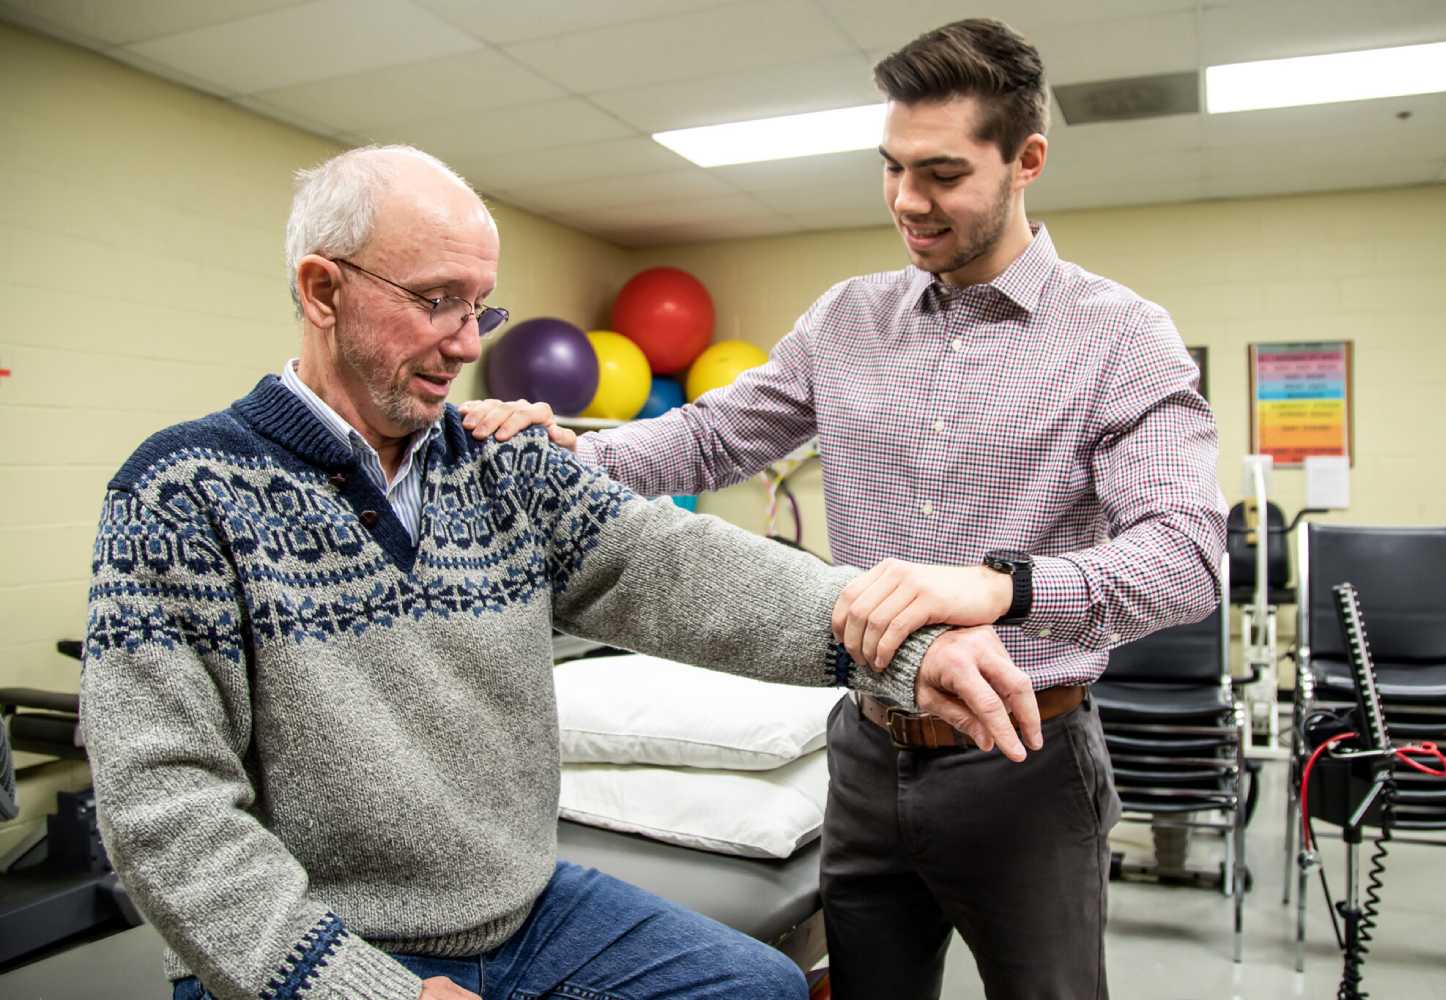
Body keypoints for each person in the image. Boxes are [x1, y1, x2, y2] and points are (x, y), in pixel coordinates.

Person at [79, 144, 1042, 1000]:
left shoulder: (502, 465)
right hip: (319, 942)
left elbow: (679, 566)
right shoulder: (181, 493)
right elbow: (165, 810)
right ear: (324, 290)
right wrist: (359, 988)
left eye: (478, 305)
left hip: (522, 913)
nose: (468, 343)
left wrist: (909, 645)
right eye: (435, 301)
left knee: (754, 985)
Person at [461, 17, 1228, 1000]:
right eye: (893, 167)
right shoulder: (846, 319)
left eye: (943, 174)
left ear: (1027, 160)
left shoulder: (1120, 338)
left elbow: (1187, 561)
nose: (909, 200)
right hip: (867, 750)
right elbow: (706, 437)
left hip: (1025, 759)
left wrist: (1002, 585)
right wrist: (570, 453)